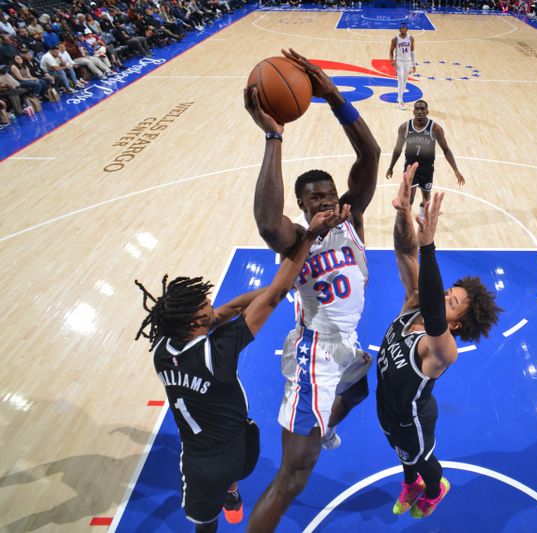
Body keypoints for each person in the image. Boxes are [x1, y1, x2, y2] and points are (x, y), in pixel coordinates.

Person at [133, 206, 350, 533]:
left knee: (204, 525)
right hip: (238, 447)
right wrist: (308, 238)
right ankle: (232, 491)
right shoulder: (217, 351)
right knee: (233, 471)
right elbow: (271, 297)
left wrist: (278, 289)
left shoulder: (162, 351)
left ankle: (228, 496)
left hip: (197, 461)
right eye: (204, 304)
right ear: (195, 321)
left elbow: (227, 311)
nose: (211, 304)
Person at [243, 48, 380, 532]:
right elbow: (264, 221)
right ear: (302, 207)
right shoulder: (296, 241)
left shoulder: (353, 220)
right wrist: (273, 136)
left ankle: (327, 425)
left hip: (345, 346)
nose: (326, 201)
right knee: (292, 479)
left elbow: (370, 156)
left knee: (362, 384)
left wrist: (334, 96)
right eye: (314, 198)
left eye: (330, 194)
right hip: (315, 357)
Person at [376, 164, 502, 518]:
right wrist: (403, 213)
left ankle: (433, 489)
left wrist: (429, 247)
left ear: (458, 324)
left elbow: (433, 314)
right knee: (402, 454)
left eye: (453, 301)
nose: (445, 297)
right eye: (448, 293)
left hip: (412, 417)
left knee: (421, 458)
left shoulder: (442, 350)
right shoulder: (415, 303)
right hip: (385, 401)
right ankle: (410, 482)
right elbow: (404, 252)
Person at [386, 99, 466, 211]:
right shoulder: (404, 127)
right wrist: (391, 167)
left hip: (427, 169)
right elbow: (398, 149)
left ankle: (423, 216)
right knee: (409, 199)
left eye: (422, 109)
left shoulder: (435, 129)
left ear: (427, 111)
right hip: (410, 168)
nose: (419, 111)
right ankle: (406, 222)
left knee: (426, 198)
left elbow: (446, 150)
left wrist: (456, 170)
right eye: (417, 109)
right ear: (413, 112)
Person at [390, 22, 415, 110]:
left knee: (404, 81)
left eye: (405, 28)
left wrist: (413, 64)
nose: (403, 29)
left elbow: (412, 52)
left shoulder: (411, 38)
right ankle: (400, 100)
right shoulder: (395, 39)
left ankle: (399, 96)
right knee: (400, 80)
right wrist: (392, 60)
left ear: (407, 29)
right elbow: (391, 51)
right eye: (402, 28)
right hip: (399, 61)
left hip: (408, 61)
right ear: (399, 29)